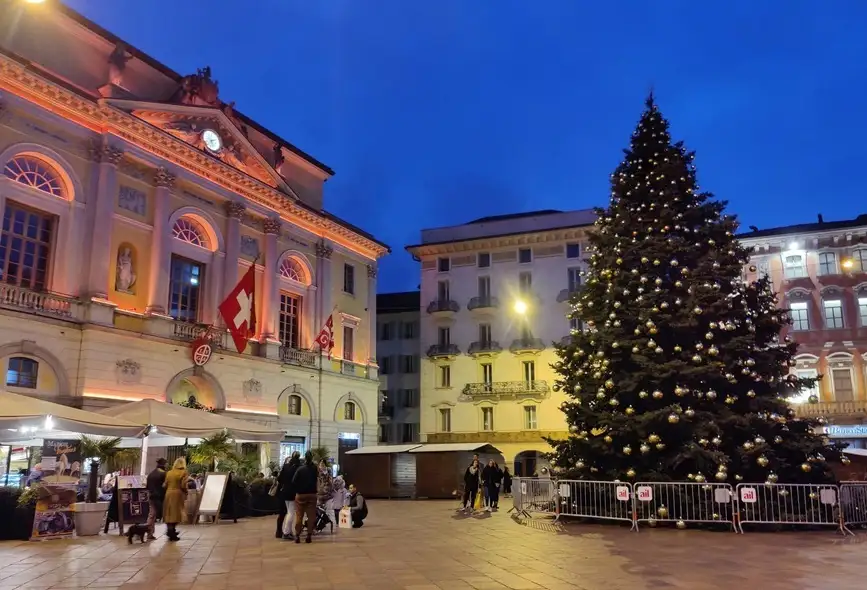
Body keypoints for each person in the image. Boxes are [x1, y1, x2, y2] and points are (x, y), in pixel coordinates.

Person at [291, 451, 318, 543]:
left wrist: (298, 487)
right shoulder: (314, 468)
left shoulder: (300, 469)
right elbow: (316, 478)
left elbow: (293, 481)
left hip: (301, 495)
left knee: (299, 516)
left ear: (305, 458)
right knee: (311, 516)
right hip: (312, 494)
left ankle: (297, 535)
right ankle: (309, 536)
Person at [162, 458, 189, 542]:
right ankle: (171, 532)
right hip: (177, 493)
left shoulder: (169, 472)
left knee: (169, 512)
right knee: (176, 513)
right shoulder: (184, 472)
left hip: (168, 493)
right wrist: (186, 492)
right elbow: (183, 485)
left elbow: (164, 485)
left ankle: (170, 530)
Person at [276, 452, 300, 539]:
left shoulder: (286, 466)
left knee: (287, 512)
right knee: (291, 512)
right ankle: (286, 532)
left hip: (285, 491)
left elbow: (279, 478)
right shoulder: (298, 467)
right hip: (293, 492)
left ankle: (284, 531)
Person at [145, 458, 167, 540]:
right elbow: (165, 486)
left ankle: (149, 533)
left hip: (151, 496)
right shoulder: (163, 473)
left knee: (151, 515)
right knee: (153, 515)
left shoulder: (151, 473)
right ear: (164, 464)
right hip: (158, 497)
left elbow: (147, 486)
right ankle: (149, 532)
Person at [317, 459, 334, 529]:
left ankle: (323, 523)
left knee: (327, 510)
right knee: (318, 509)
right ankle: (318, 524)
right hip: (319, 493)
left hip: (328, 494)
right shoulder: (317, 471)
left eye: (323, 463)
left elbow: (331, 481)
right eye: (320, 463)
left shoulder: (329, 470)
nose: (321, 465)